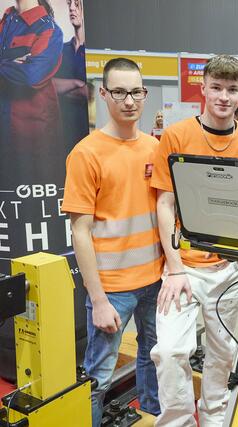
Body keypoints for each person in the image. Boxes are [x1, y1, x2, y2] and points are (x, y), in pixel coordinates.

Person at [149, 54, 238, 427]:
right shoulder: (177, 135)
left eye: (232, 89)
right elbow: (164, 203)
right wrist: (175, 266)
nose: (224, 97)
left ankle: (215, 419)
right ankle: (179, 422)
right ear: (203, 88)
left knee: (222, 355)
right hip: (183, 267)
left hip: (229, 270)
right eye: (216, 87)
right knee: (169, 351)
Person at [61, 58, 163, 426]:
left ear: (145, 94)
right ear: (103, 94)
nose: (129, 101)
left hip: (155, 282)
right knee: (98, 376)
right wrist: (99, 299)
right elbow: (80, 232)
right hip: (112, 290)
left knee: (155, 359)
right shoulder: (86, 154)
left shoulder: (155, 148)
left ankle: (152, 417)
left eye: (135, 91)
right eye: (118, 92)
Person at [0, 0, 63, 179]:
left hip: (30, 140)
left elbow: (31, 75)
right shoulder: (5, 21)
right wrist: (11, 64)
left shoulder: (48, 29)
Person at [53, 0, 88, 149]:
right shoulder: (60, 50)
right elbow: (46, 85)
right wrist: (76, 83)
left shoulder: (93, 52)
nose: (72, 9)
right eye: (69, 4)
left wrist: (61, 88)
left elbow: (89, 92)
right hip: (60, 134)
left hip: (85, 135)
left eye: (77, 4)